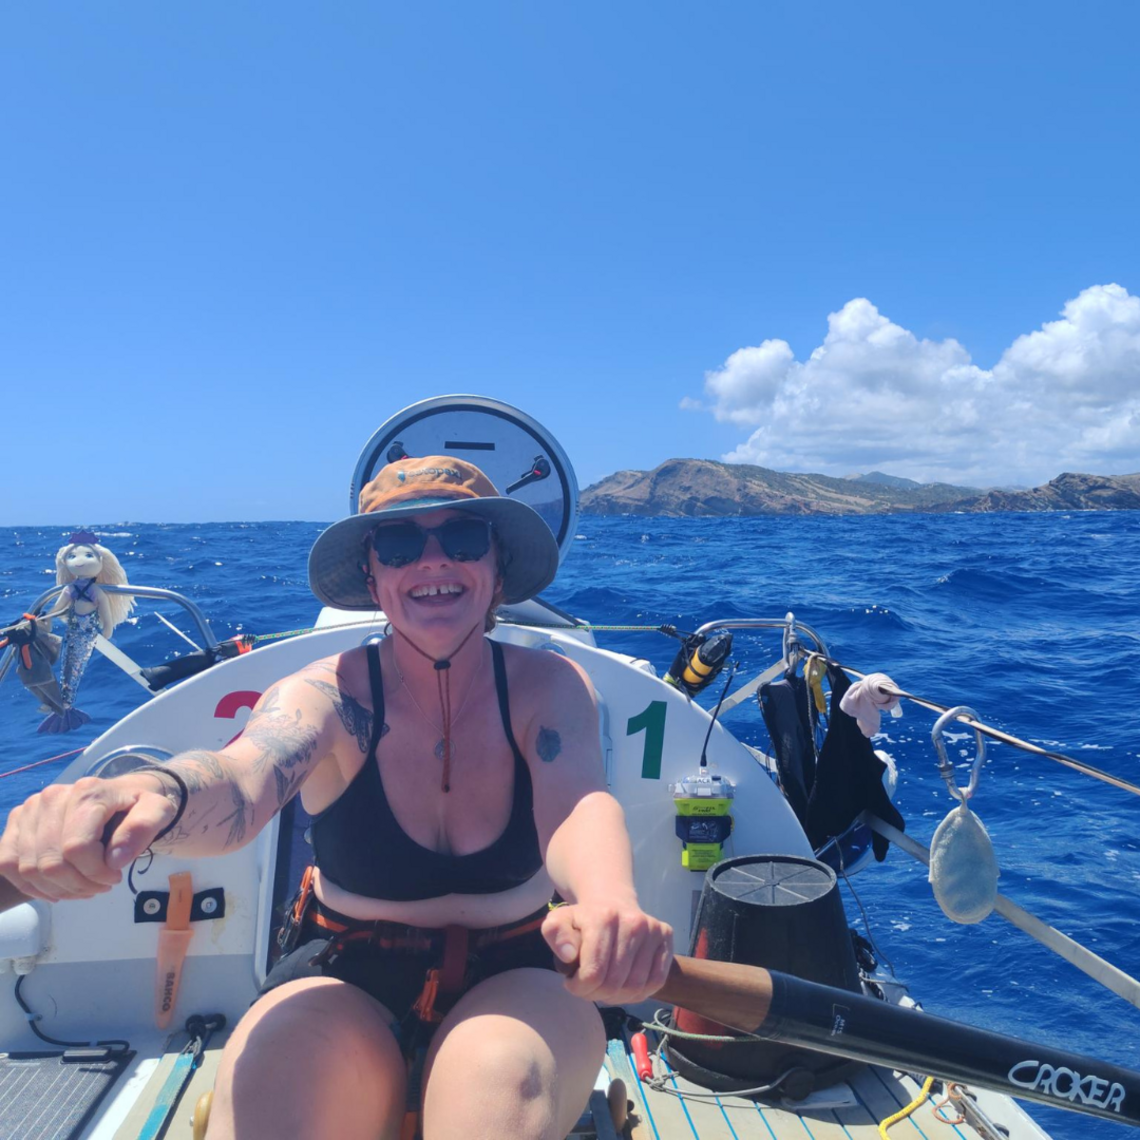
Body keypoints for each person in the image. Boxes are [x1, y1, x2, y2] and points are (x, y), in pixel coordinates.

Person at [0, 456, 674, 1140]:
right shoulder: (323, 695)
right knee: (274, 1096)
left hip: (521, 966)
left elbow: (577, 807)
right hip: (345, 968)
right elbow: (244, 779)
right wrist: (154, 791)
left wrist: (610, 901)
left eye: (464, 538)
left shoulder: (548, 687)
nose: (432, 560)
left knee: (503, 1084)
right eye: (401, 545)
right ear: (374, 579)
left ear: (497, 571)